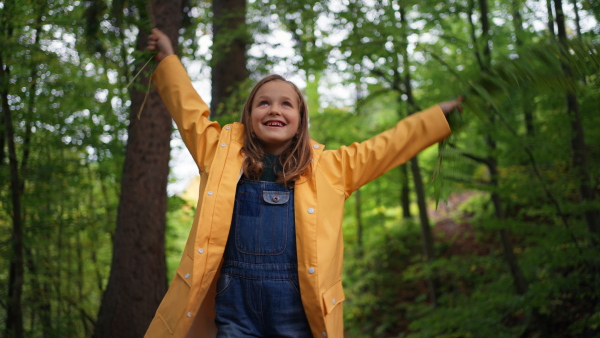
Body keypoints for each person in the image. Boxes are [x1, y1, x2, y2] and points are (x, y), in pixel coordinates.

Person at [144, 28, 462, 338]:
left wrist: (438, 118)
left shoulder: (331, 168)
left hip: (297, 318)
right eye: (264, 103)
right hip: (235, 314)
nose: (274, 110)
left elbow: (388, 146)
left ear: (299, 121)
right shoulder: (219, 154)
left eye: (286, 104)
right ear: (249, 117)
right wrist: (169, 58)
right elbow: (188, 113)